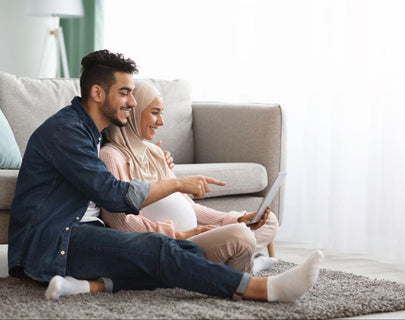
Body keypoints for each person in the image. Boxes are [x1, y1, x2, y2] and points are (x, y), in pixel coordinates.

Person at [8, 49, 323, 302]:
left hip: (79, 234)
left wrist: (154, 155)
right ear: (98, 93)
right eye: (125, 92)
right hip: (52, 243)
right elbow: (114, 195)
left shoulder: (90, 132)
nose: (132, 101)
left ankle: (87, 286)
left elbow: (125, 154)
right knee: (158, 250)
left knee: (178, 252)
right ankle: (262, 289)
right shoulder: (67, 132)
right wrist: (177, 183)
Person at [100, 80, 278, 273]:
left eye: (162, 113)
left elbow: (189, 207)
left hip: (194, 238)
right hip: (171, 245)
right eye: (154, 112)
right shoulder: (111, 156)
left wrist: (235, 219)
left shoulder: (155, 153)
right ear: (133, 112)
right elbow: (121, 222)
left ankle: (233, 263)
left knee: (268, 222)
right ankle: (245, 267)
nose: (161, 122)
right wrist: (178, 235)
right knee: (241, 237)